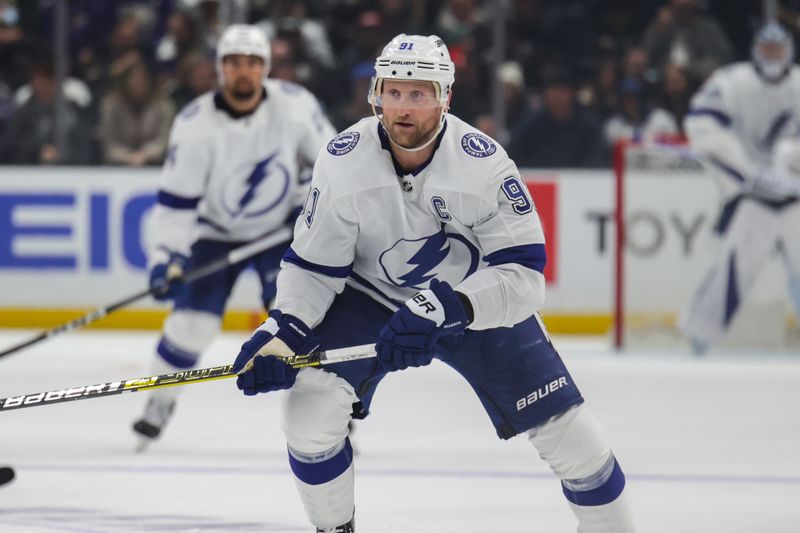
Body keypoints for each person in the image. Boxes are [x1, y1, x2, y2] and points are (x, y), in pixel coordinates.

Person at [231, 34, 636, 533]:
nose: (402, 108)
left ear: (446, 98)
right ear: (375, 94)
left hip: (471, 304)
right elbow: (314, 267)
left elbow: (525, 278)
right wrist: (284, 332)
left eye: (418, 94)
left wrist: (452, 306)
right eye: (393, 92)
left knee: (577, 440)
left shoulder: (484, 164)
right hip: (372, 298)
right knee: (308, 411)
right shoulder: (342, 160)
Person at [131, 24, 336, 445]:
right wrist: (165, 257)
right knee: (190, 325)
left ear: (265, 68)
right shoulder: (194, 124)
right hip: (215, 233)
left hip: (278, 231)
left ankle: (329, 408)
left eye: (252, 63)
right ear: (220, 69)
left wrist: (305, 203)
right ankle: (159, 402)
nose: (243, 72)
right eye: (234, 64)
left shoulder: (296, 106)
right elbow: (176, 204)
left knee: (294, 319)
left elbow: (335, 167)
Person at [679, 21, 800, 354]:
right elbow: (701, 124)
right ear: (755, 51)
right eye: (767, 49)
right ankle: (700, 337)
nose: (772, 56)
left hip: (795, 200)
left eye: (778, 50)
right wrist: (745, 172)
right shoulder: (732, 82)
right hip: (755, 200)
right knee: (732, 271)